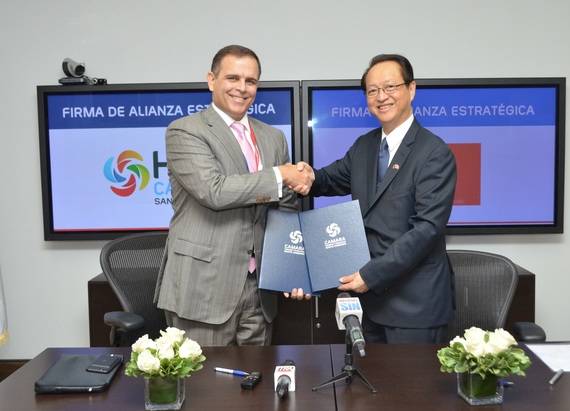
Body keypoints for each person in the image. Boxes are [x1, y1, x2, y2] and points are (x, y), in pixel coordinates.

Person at [290, 54, 457, 344]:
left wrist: (371, 275)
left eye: (390, 87)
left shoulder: (434, 153)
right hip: (367, 305)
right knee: (367, 387)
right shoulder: (365, 146)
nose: (382, 97)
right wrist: (304, 175)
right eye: (372, 91)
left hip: (414, 307)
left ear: (412, 89)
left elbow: (426, 230)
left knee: (412, 390)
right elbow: (330, 179)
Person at [154, 45, 313, 346]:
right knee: (204, 388)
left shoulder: (273, 137)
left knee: (255, 384)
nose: (242, 88)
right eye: (233, 78)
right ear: (211, 80)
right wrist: (281, 175)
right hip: (204, 288)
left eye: (250, 81)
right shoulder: (185, 131)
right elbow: (214, 190)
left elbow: (286, 209)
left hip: (259, 289)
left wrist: (291, 268)